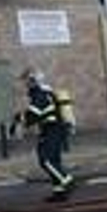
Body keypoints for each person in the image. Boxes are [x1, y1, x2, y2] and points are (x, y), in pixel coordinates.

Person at [18, 69, 75, 201]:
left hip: (52, 130)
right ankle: (59, 192)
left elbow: (33, 115)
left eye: (27, 81)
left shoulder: (40, 94)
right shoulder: (45, 93)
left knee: (46, 160)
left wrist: (18, 119)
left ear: (33, 81)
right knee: (54, 160)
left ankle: (67, 180)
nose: (26, 85)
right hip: (54, 129)